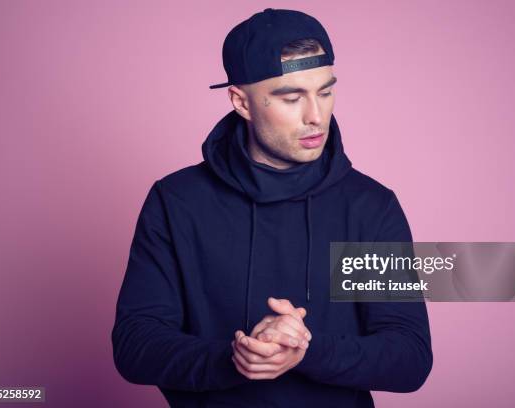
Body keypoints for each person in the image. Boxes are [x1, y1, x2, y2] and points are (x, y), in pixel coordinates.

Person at [112, 8, 432, 408]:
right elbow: (134, 345)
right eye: (292, 97)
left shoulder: (369, 207)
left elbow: (409, 357)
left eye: (325, 91)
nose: (316, 116)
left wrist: (306, 352)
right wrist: (235, 359)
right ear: (241, 103)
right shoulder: (177, 202)